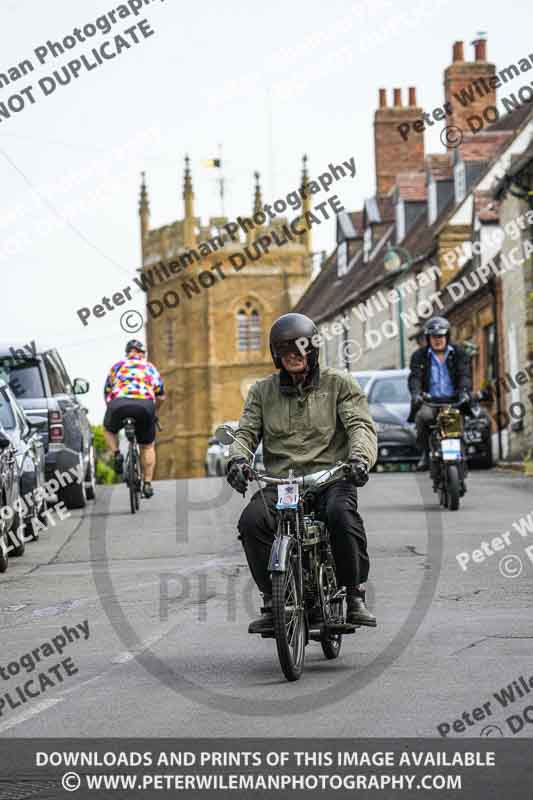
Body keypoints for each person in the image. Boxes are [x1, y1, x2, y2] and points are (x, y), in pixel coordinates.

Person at [226, 313, 378, 634]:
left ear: (313, 350)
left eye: (300, 348)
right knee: (252, 521)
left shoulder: (339, 384)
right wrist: (237, 460)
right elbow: (246, 433)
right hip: (283, 482)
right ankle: (273, 599)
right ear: (275, 355)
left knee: (340, 514)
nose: (293, 356)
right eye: (285, 351)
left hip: (332, 478)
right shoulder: (262, 392)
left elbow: (360, 426)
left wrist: (360, 460)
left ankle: (353, 594)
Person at [408, 316, 472, 471]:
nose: (438, 340)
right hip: (429, 401)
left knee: (456, 427)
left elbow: (465, 375)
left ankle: (461, 456)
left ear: (447, 336)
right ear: (428, 338)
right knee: (423, 417)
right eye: (434, 337)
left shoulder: (459, 353)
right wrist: (416, 394)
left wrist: (464, 393)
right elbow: (414, 378)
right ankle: (426, 452)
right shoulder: (419, 356)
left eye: (441, 336)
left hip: (453, 401)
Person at [103, 339, 165, 498]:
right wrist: (155, 412)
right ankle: (148, 483)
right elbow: (161, 396)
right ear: (142, 354)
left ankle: (116, 453)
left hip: (119, 404)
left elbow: (107, 392)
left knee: (108, 429)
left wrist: (112, 412)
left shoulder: (117, 366)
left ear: (127, 353)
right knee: (147, 446)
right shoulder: (149, 367)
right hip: (145, 406)